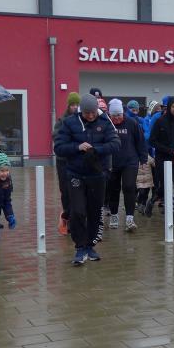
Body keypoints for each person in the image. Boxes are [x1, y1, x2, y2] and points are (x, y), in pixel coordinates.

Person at [54, 93, 120, 266]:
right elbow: (59, 147)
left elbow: (115, 144)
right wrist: (77, 147)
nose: (90, 116)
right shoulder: (69, 122)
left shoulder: (105, 122)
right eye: (87, 113)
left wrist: (95, 149)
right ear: (81, 111)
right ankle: (80, 247)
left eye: (93, 113)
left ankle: (90, 246)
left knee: (94, 211)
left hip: (97, 175)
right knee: (78, 211)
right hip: (75, 174)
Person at [106, 98, 146, 232]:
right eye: (114, 116)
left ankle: (129, 218)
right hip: (112, 162)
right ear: (110, 115)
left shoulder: (132, 123)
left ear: (123, 113)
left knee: (129, 187)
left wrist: (143, 159)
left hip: (130, 161)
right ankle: (114, 215)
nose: (117, 118)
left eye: (119, 115)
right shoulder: (107, 124)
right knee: (113, 189)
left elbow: (140, 141)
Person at [148, 96, 174, 220]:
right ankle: (152, 201)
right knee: (163, 187)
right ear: (169, 107)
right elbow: (152, 141)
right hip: (163, 158)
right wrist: (169, 150)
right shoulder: (160, 121)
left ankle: (171, 210)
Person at [54, 92, 81, 235]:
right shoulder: (62, 121)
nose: (75, 107)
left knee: (76, 190)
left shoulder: (82, 120)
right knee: (65, 191)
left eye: (77, 105)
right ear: (68, 106)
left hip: (77, 161)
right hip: (63, 161)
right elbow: (56, 137)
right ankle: (67, 217)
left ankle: (76, 218)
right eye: (72, 105)